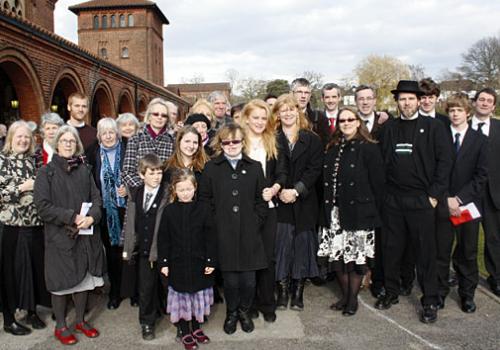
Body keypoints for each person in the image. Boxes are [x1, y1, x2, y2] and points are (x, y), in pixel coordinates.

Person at [375, 80, 452, 324]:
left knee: (425, 252)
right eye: (402, 99)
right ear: (396, 102)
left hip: (422, 199)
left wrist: (433, 196)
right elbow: (381, 163)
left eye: (411, 99)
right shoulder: (389, 128)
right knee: (391, 249)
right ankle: (391, 291)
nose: (406, 103)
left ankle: (430, 299)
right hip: (393, 200)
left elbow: (445, 163)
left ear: (419, 101)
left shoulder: (434, 127)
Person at [34, 125, 104, 345]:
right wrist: (72, 217)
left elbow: (97, 199)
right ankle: (61, 325)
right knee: (61, 283)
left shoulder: (84, 169)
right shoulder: (46, 172)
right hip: (60, 236)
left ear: (77, 145)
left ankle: (81, 321)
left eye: (71, 141)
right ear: (56, 144)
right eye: (63, 140)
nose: (67, 144)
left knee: (83, 279)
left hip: (85, 234)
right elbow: (42, 207)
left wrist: (92, 217)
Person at [199, 123, 267, 335]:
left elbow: (260, 201)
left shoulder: (255, 167)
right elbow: (205, 199)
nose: (231, 145)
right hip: (224, 232)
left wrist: (255, 220)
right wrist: (215, 223)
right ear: (220, 144)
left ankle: (244, 312)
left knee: (248, 280)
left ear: (242, 142)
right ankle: (231, 313)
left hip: (249, 233)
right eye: (226, 142)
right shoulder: (212, 167)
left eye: (235, 141)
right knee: (230, 281)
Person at [318, 107, 384, 316]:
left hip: (358, 213)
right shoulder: (333, 146)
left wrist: (372, 211)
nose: (345, 123)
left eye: (350, 119)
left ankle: (353, 300)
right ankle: (345, 296)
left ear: (358, 122)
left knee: (355, 259)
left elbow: (378, 183)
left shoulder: (369, 147)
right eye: (342, 120)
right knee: (337, 258)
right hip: (334, 212)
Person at [435, 93, 488, 313]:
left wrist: (459, 199)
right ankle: (438, 294)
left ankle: (467, 294)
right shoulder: (440, 137)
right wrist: (446, 198)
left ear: (468, 112)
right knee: (441, 250)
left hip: (467, 206)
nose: (455, 114)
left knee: (467, 251)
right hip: (443, 203)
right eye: (451, 111)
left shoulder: (480, 140)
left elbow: (482, 175)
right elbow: (435, 171)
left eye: (459, 110)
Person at [273, 93, 323, 311]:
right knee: (283, 245)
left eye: (292, 109)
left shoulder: (312, 139)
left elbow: (315, 170)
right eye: (283, 109)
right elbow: (270, 169)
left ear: (298, 111)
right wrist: (280, 191)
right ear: (277, 113)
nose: (288, 113)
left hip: (304, 200)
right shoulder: (272, 138)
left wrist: (296, 190)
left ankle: (298, 292)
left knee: (302, 246)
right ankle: (283, 291)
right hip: (280, 200)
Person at [0, 121, 50, 336]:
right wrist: (23, 187)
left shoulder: (34, 161)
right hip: (11, 227)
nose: (23, 140)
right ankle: (9, 318)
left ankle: (31, 311)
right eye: (19, 136)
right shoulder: (2, 160)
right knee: (9, 273)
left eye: (27, 137)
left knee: (33, 269)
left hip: (34, 225)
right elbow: (2, 193)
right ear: (10, 138)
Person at [240, 99, 287, 323]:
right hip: (243, 211)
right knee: (247, 258)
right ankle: (247, 305)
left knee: (268, 258)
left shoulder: (273, 141)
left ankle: (267, 303)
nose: (259, 122)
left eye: (263, 118)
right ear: (246, 118)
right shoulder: (236, 141)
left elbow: (282, 174)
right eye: (255, 117)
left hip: (268, 209)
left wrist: (276, 188)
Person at [158, 169, 215, 350]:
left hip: (199, 263)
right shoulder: (169, 211)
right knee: (182, 299)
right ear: (174, 190)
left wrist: (210, 261)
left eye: (188, 189)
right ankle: (184, 331)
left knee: (197, 298)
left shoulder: (204, 209)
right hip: (177, 264)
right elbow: (163, 239)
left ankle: (196, 328)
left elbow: (211, 237)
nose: (185, 193)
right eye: (181, 189)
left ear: (195, 188)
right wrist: (164, 263)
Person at [122, 153, 168, 341]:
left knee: (167, 285)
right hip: (144, 251)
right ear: (142, 174)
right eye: (152, 172)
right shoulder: (135, 193)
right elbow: (131, 222)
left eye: (159, 172)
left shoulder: (167, 193)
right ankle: (147, 323)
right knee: (146, 288)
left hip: (164, 249)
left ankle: (178, 318)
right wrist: (128, 247)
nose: (157, 176)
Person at [86, 118, 127, 310]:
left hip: (125, 208)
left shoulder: (127, 150)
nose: (109, 136)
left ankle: (130, 289)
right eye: (104, 133)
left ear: (117, 133)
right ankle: (115, 292)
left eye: (112, 132)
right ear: (99, 136)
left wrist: (128, 188)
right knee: (110, 252)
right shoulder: (92, 153)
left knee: (127, 250)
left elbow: (138, 174)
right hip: (104, 210)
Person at [469, 88, 500, 296]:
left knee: (494, 238)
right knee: (465, 238)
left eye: (489, 101)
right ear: (474, 102)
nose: (485, 103)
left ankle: (496, 277)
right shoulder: (459, 125)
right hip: (468, 195)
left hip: (494, 196)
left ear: (494, 106)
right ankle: (463, 276)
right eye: (481, 99)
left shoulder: (498, 127)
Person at [121, 98, 175, 189]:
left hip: (165, 195)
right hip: (140, 194)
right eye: (156, 114)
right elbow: (127, 172)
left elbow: (174, 171)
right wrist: (145, 188)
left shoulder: (172, 140)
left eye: (164, 115)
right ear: (149, 116)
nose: (159, 117)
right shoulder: (136, 137)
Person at [290, 78, 330, 146]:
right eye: (299, 92)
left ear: (310, 95)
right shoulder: (283, 116)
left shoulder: (320, 118)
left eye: (306, 93)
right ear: (291, 93)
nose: (303, 96)